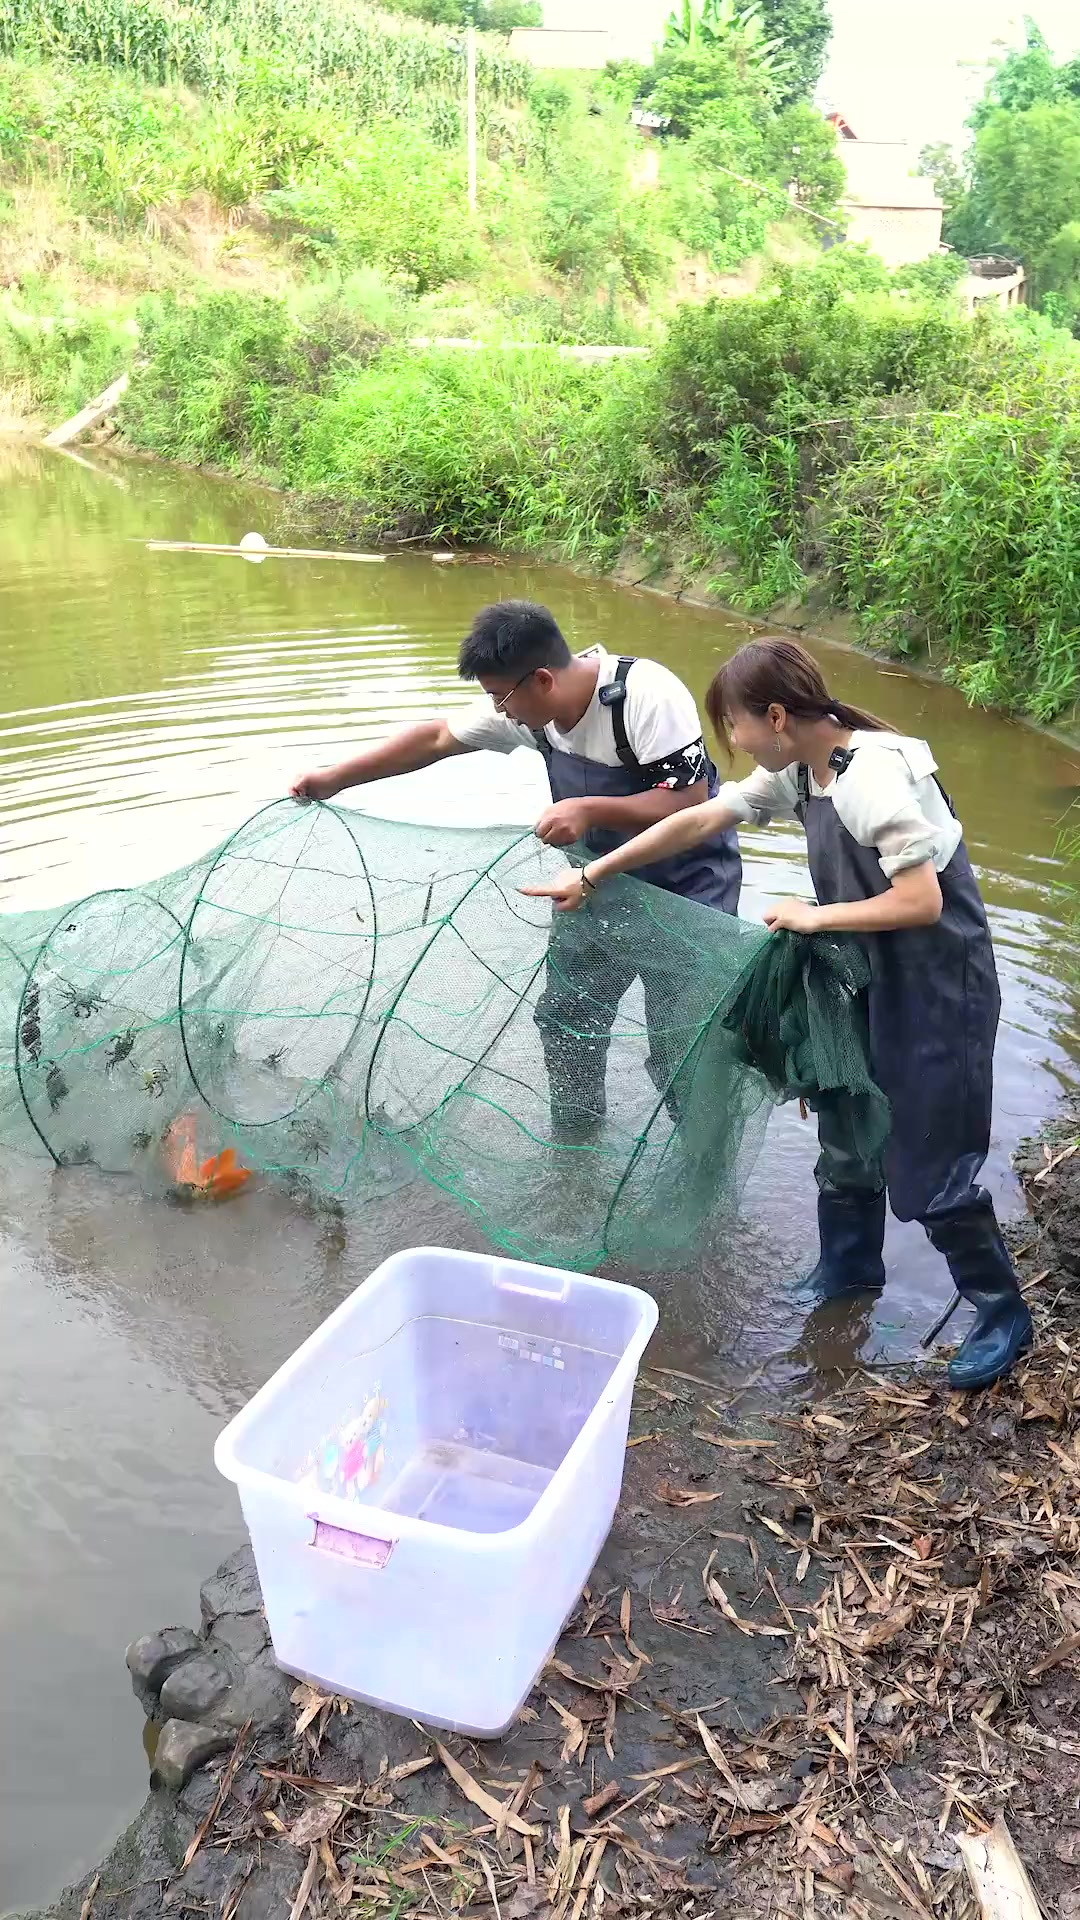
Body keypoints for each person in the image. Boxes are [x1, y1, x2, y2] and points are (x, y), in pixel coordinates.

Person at [523, 636, 1032, 1392]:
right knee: (847, 1116)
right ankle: (848, 1272)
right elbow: (699, 821)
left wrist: (812, 919)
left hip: (935, 985)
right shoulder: (801, 771)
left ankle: (1000, 1314)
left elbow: (922, 902)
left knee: (930, 1160)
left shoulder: (872, 777)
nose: (731, 743)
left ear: (774, 715)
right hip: (864, 973)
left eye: (731, 725)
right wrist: (593, 874)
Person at [292, 599, 742, 1133]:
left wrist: (591, 809)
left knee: (682, 1047)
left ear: (543, 681)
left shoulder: (646, 695)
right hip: (592, 890)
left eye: (501, 697)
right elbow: (437, 738)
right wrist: (334, 778)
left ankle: (702, 1167)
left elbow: (691, 802)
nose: (500, 711)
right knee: (569, 1023)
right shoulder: (535, 715)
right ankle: (577, 1147)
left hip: (685, 889)